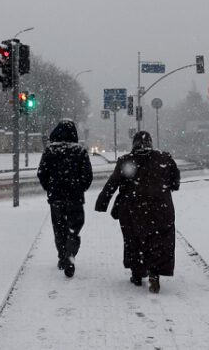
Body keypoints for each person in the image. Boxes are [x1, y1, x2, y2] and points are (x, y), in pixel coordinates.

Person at [95, 131, 180, 293]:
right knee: (159, 240)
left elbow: (112, 183)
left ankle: (137, 273)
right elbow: (175, 183)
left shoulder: (126, 161)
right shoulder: (164, 158)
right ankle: (154, 273)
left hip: (132, 209)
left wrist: (102, 203)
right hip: (161, 209)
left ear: (134, 144)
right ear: (150, 143)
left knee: (134, 240)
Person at [37, 119, 93, 278]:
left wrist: (51, 188)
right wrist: (79, 188)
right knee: (74, 228)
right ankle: (70, 253)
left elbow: (42, 173)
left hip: (56, 198)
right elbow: (87, 176)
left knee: (59, 228)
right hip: (75, 198)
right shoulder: (80, 151)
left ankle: (62, 256)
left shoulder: (50, 151)